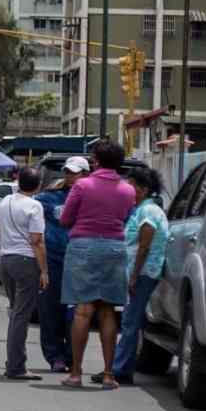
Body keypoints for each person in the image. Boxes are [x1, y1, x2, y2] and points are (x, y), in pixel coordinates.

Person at [60, 140, 137, 390]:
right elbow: (126, 218)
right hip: (115, 248)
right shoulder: (127, 190)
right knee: (107, 311)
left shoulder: (83, 185)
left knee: (83, 310)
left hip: (83, 247)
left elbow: (65, 219)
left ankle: (75, 373)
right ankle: (107, 375)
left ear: (96, 161)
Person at [104, 167, 168, 385]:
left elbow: (144, 246)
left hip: (143, 273)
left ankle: (119, 370)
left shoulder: (149, 211)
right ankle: (120, 367)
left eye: (130, 185)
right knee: (131, 321)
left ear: (141, 189)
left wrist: (134, 276)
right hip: (137, 272)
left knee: (130, 322)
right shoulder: (140, 209)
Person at [0, 167, 49, 380]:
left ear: (18, 182)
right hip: (26, 261)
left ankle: (14, 362)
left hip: (5, 260)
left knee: (15, 312)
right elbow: (37, 241)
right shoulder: (35, 206)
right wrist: (44, 271)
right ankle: (16, 366)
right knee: (21, 315)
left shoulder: (5, 201)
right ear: (37, 186)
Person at [34, 157, 88, 371]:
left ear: (86, 174)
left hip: (81, 260)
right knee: (50, 310)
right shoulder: (50, 197)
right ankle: (55, 356)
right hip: (54, 260)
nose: (69, 176)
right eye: (67, 172)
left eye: (74, 173)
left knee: (76, 312)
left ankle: (72, 356)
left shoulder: (91, 198)